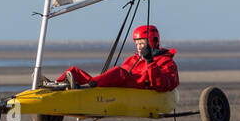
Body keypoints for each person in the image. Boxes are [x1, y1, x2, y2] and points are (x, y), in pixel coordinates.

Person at [47, 25, 179, 92]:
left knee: (119, 72)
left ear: (152, 42)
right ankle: (55, 85)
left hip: (139, 89)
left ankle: (85, 87)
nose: (139, 47)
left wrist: (150, 61)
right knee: (74, 71)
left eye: (142, 44)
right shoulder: (132, 60)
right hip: (123, 86)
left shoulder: (166, 61)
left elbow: (162, 85)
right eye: (137, 44)